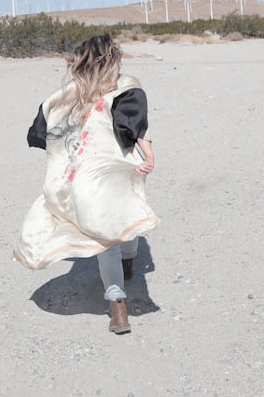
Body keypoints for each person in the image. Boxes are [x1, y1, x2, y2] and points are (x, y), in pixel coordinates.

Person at [13, 32, 158, 334]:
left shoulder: (67, 93)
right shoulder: (127, 88)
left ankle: (118, 304)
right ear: (113, 59)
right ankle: (125, 272)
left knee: (100, 234)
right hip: (108, 172)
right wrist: (149, 154)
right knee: (122, 215)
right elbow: (133, 126)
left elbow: (41, 128)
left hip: (74, 177)